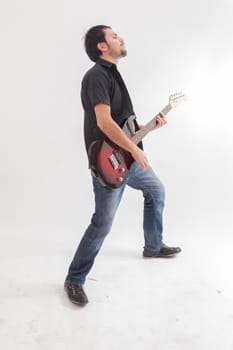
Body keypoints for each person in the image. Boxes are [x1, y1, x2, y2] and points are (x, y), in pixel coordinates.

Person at [64, 25, 181, 306]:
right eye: (114, 36)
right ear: (101, 46)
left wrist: (148, 127)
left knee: (156, 191)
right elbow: (104, 122)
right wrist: (135, 151)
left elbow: (121, 124)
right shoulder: (96, 76)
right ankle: (74, 279)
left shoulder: (113, 74)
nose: (121, 38)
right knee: (102, 224)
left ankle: (153, 246)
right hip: (110, 165)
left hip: (128, 156)